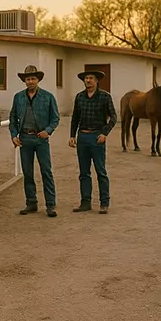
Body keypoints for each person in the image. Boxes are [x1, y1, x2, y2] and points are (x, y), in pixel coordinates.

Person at [9, 65, 60, 217]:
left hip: (41, 139)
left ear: (38, 80)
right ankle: (31, 203)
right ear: (24, 81)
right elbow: (12, 118)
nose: (30, 81)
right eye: (28, 79)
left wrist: (48, 130)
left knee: (46, 171)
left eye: (33, 79)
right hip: (25, 138)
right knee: (28, 172)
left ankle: (50, 205)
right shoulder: (18, 97)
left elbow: (55, 118)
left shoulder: (48, 96)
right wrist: (14, 135)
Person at [69, 69, 117, 214]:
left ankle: (104, 203)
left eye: (91, 78)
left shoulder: (104, 97)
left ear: (96, 81)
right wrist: (72, 135)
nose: (88, 80)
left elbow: (114, 117)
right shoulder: (79, 97)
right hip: (82, 136)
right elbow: (75, 117)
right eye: (86, 78)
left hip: (97, 136)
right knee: (84, 172)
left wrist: (104, 133)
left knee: (100, 171)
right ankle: (85, 202)